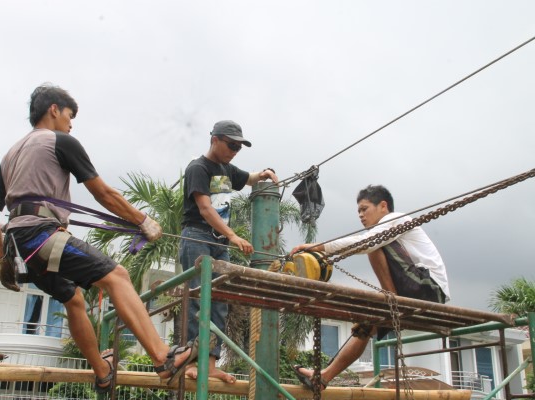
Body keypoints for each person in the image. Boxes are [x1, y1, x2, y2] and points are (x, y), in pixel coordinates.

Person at [0, 84, 198, 393]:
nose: (71, 123)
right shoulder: (60, 141)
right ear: (54, 110)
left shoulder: (11, 155)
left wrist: (4, 258)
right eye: (70, 115)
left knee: (74, 299)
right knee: (117, 277)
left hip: (20, 245)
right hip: (41, 236)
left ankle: (102, 370)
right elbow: (103, 193)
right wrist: (143, 221)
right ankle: (164, 358)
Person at [290, 184, 450, 390]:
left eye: (364, 209)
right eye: (358, 211)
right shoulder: (385, 229)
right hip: (417, 289)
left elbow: (367, 243)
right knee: (365, 327)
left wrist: (318, 247)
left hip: (430, 288)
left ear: (383, 206)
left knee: (374, 243)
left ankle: (391, 298)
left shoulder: (397, 219)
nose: (360, 215)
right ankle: (323, 378)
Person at [179, 120, 278, 384]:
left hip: (219, 243)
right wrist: (233, 235)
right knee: (199, 299)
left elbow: (249, 178)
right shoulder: (198, 168)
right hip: (197, 236)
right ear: (215, 140)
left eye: (239, 147)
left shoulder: (227, 169)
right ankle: (192, 363)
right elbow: (205, 208)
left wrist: (264, 174)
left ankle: (210, 364)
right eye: (231, 145)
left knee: (219, 303)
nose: (235, 151)